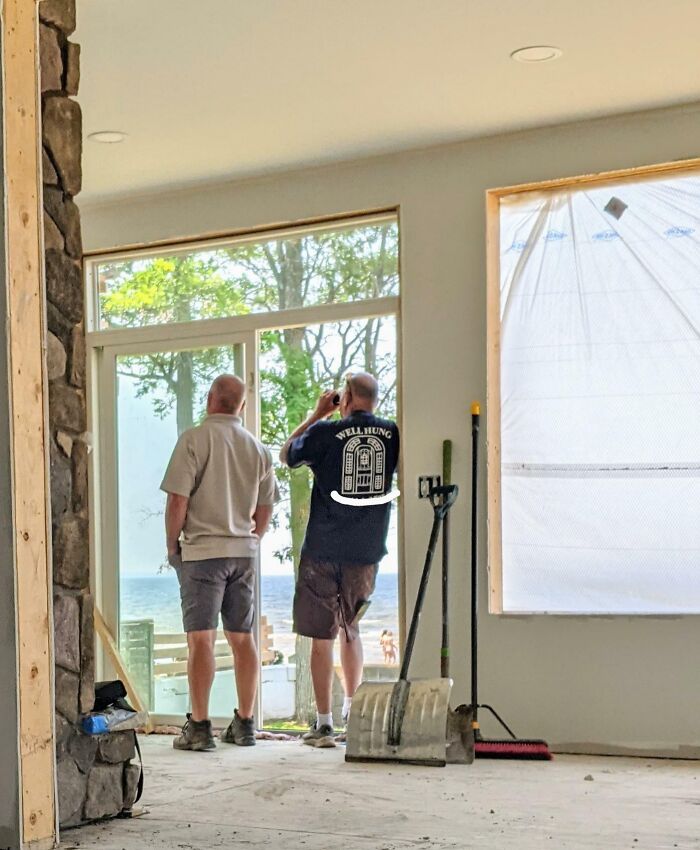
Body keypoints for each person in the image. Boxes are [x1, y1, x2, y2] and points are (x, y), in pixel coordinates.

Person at [280, 372, 400, 747]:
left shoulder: (326, 433)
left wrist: (317, 413)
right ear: (375, 399)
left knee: (321, 637)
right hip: (364, 552)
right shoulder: (393, 435)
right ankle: (354, 714)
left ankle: (323, 723)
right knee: (351, 630)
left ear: (345, 397)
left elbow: (286, 454)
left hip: (321, 550)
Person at [161, 374, 277, 752]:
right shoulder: (258, 449)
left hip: (202, 554)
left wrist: (172, 547)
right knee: (243, 639)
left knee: (201, 639)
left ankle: (200, 727)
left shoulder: (193, 440)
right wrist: (250, 539)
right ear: (241, 406)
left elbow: (177, 501)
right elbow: (264, 509)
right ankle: (245, 724)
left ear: (210, 399)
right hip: (242, 554)